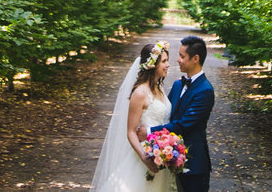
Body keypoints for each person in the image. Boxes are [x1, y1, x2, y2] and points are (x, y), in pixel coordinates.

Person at [91, 41, 176, 191]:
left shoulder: (159, 87)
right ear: (152, 65)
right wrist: (145, 158)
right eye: (164, 61)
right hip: (146, 156)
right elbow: (131, 132)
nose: (168, 64)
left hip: (162, 155)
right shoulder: (140, 93)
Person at [138, 35, 214, 192]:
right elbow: (166, 113)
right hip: (167, 160)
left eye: (182, 56)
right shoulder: (178, 84)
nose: (177, 60)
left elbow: (183, 124)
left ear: (195, 58)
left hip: (194, 166)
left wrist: (150, 131)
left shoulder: (205, 91)